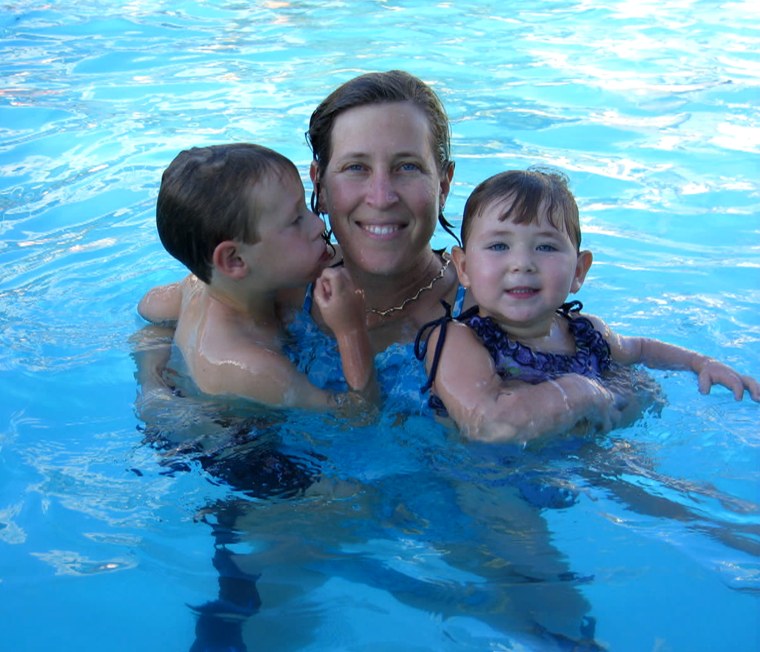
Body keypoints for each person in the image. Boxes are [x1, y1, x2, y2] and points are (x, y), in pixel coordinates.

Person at [297, 69, 626, 431]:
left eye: (407, 167)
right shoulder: (279, 295)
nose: (382, 197)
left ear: (444, 184)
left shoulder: (507, 304)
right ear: (320, 185)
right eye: (355, 167)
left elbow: (619, 406)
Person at [415, 167, 760, 443]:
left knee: (680, 504)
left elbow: (639, 349)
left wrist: (701, 362)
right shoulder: (458, 341)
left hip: (585, 459)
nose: (522, 263)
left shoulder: (587, 332)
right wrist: (580, 392)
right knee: (521, 533)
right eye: (499, 247)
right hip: (489, 477)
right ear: (463, 267)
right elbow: (487, 427)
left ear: (578, 271)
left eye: (546, 247)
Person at [137, 142, 376, 410]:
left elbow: (148, 307)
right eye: (295, 220)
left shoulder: (197, 285)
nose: (319, 224)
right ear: (235, 260)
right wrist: (351, 331)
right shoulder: (254, 367)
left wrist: (152, 374)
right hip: (238, 442)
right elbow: (359, 414)